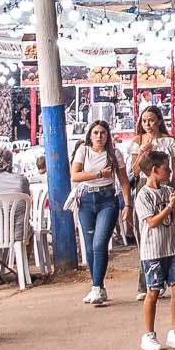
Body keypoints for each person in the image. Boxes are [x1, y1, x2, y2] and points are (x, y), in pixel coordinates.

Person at [133, 147, 175, 350]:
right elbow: (152, 222)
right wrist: (168, 207)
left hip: (171, 248)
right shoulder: (143, 196)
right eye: (167, 168)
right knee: (153, 291)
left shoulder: (167, 191)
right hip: (153, 252)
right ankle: (149, 333)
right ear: (155, 169)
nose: (170, 172)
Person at [71, 120, 123, 306]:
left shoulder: (114, 154)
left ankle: (97, 286)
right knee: (90, 244)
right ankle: (97, 286)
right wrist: (99, 174)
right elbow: (75, 175)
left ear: (107, 135)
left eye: (102, 132)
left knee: (100, 242)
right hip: (86, 200)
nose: (99, 136)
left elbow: (123, 180)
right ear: (90, 135)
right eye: (95, 133)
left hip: (107, 199)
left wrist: (127, 205)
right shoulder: (83, 151)